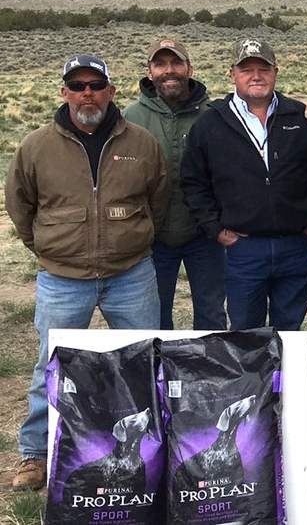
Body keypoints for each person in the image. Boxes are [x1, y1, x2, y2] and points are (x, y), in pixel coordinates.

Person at [5, 55, 167, 490]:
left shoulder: (142, 142)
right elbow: (20, 204)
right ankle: (36, 454)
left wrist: (133, 237)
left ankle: (153, 447)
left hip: (130, 273)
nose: (87, 93)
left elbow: (159, 198)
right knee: (49, 365)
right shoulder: (36, 146)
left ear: (112, 91)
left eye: (95, 84)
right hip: (62, 277)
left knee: (143, 359)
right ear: (64, 93)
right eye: (77, 85)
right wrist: (46, 247)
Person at [181, 39, 307, 330]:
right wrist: (216, 229)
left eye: (263, 68)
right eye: (246, 69)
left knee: (289, 331)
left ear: (275, 72)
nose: (256, 76)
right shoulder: (210, 123)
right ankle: (252, 379)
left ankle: (284, 377)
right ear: (232, 74)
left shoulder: (301, 118)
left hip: (296, 245)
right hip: (243, 248)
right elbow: (194, 182)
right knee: (245, 335)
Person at [124, 39, 227, 330]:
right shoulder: (131, 118)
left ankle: (211, 370)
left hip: (205, 235)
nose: (169, 71)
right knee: (154, 317)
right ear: (150, 71)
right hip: (152, 239)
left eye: (176, 63)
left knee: (211, 316)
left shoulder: (213, 115)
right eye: (161, 64)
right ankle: (158, 373)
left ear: (189, 69)